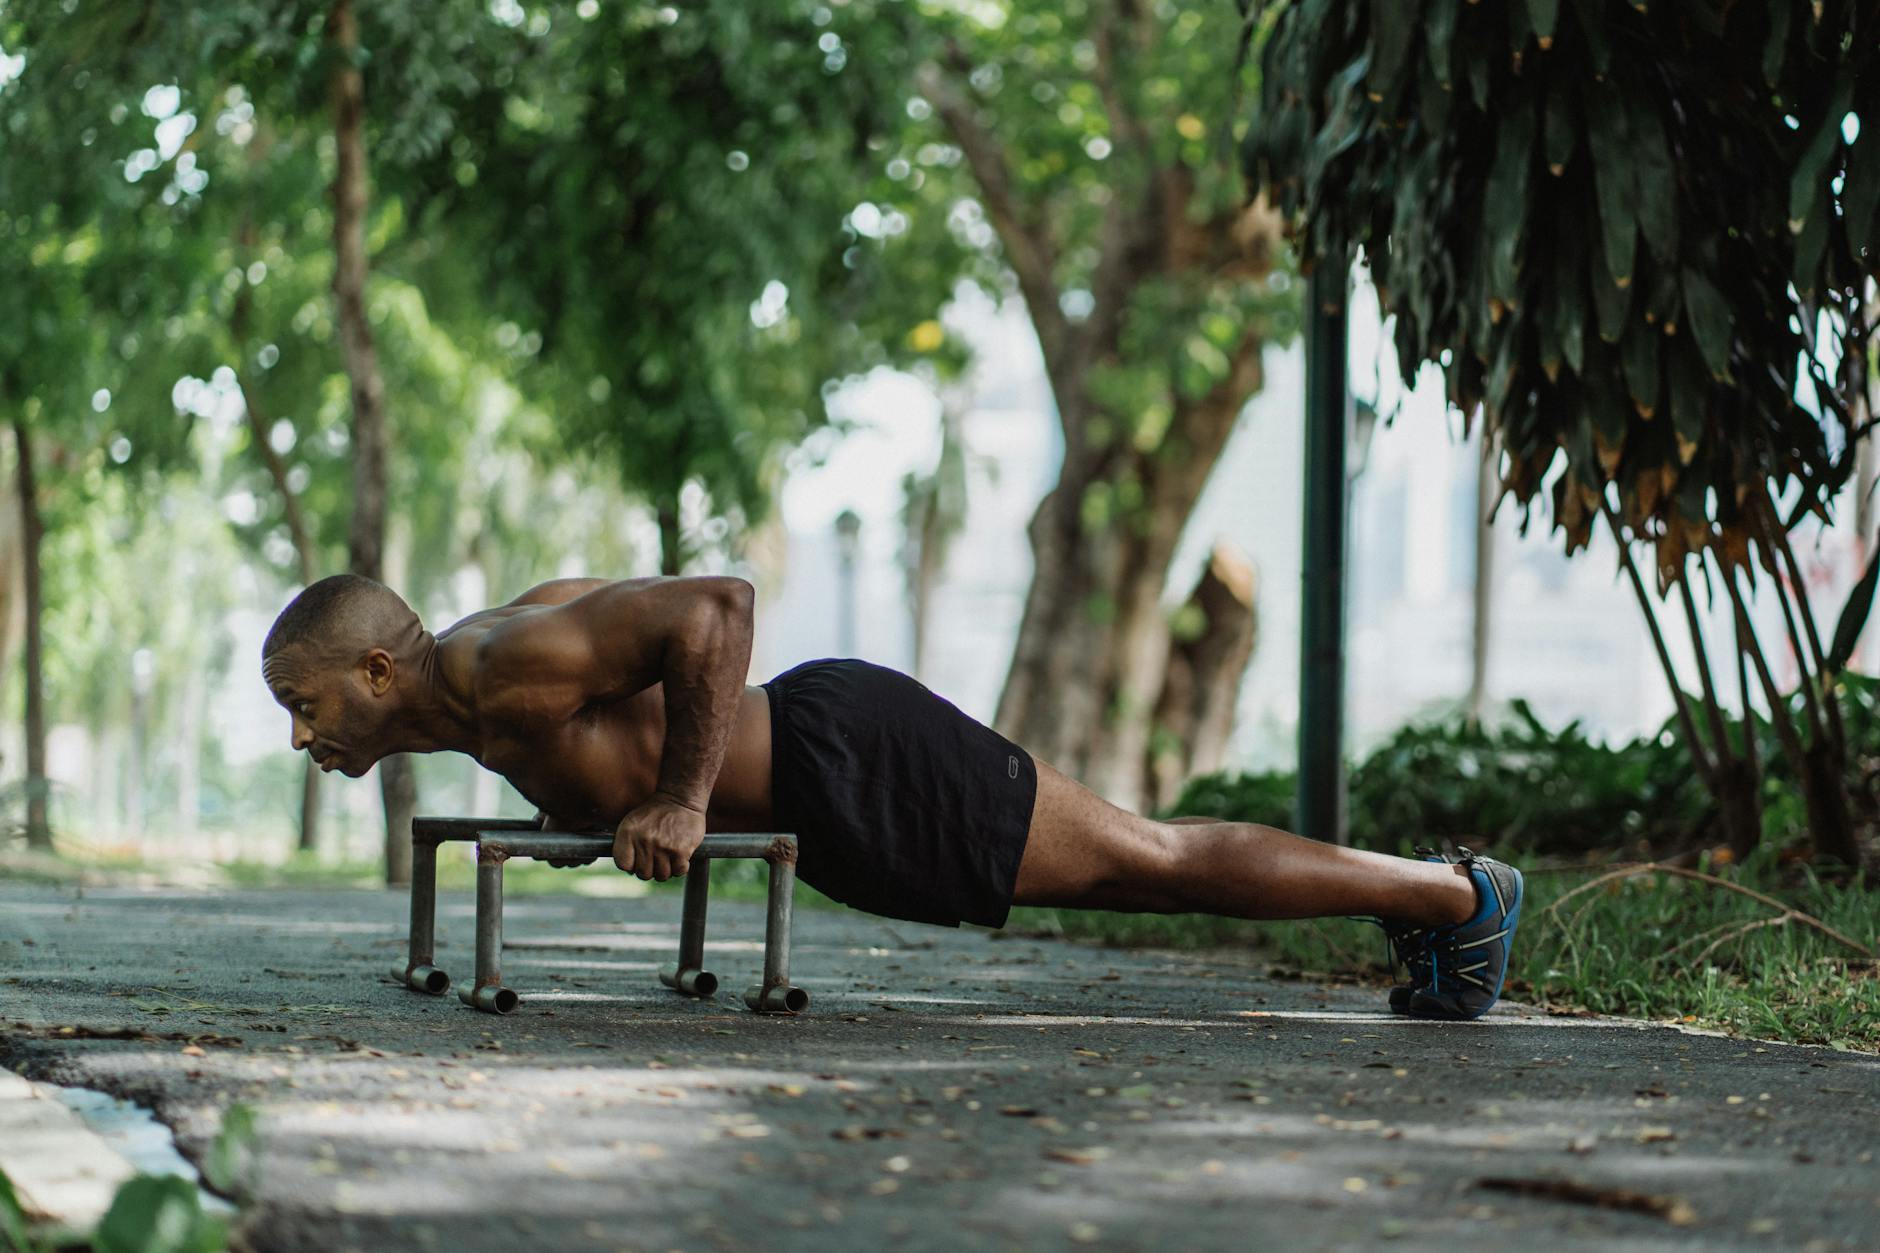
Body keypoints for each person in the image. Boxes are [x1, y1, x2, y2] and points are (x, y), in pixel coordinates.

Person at [261, 572, 1522, 1020]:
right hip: (834, 791)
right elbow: (620, 648)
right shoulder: (481, 690)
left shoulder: (495, 662)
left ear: (378, 669)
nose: (305, 734)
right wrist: (610, 803)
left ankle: (1453, 892)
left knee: (1150, 857)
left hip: (852, 756)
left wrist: (684, 797)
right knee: (1139, 863)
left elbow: (716, 607)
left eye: (307, 704)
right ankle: (1429, 902)